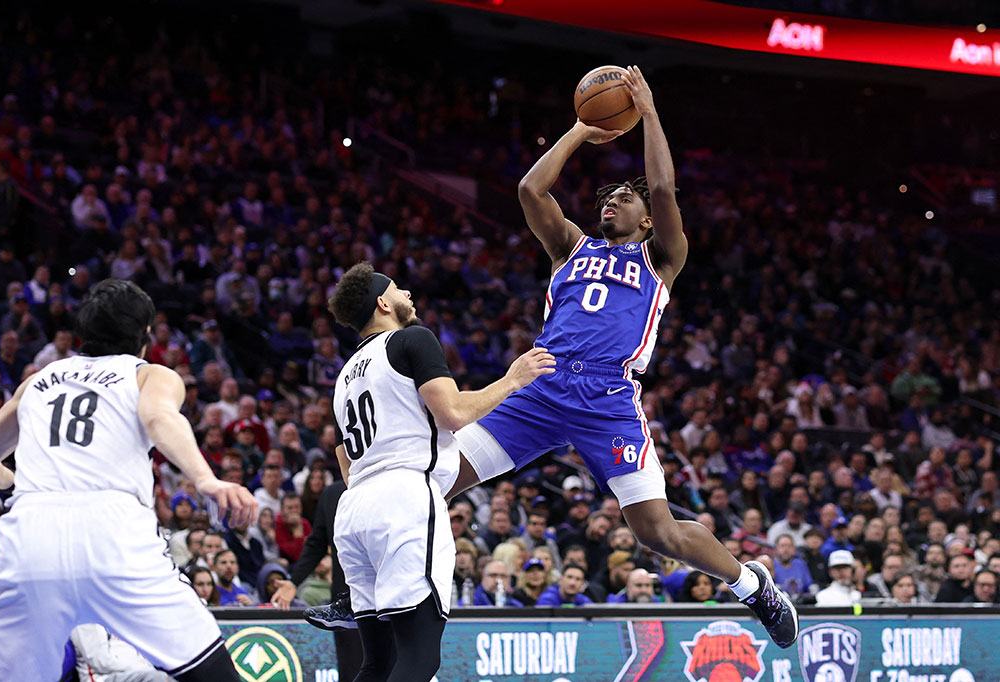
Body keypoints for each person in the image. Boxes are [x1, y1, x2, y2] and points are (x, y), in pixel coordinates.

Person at [445, 66, 796, 647]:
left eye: (624, 198)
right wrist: (582, 129)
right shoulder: (570, 247)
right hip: (540, 386)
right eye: (607, 196)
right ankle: (383, 595)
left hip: (607, 398)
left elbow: (663, 188)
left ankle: (751, 584)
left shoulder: (661, 256)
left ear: (647, 219)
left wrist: (649, 113)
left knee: (658, 532)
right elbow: (530, 191)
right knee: (438, 481)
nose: (612, 201)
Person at [0, 279, 257, 681]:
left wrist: (20, 485)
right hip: (114, 534)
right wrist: (205, 478)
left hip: (30, 536)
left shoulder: (38, 381)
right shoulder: (148, 374)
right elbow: (159, 418)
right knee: (211, 674)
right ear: (145, 335)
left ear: (83, 333)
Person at [309, 262, 553, 682]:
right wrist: (512, 380)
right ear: (384, 302)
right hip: (403, 498)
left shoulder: (344, 376)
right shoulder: (412, 339)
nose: (410, 296)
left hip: (355, 508)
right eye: (401, 290)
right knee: (422, 658)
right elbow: (454, 413)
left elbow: (342, 456)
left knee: (377, 663)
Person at [70, 623, 170, 682]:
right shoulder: (85, 621)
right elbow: (101, 662)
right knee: (157, 678)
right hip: (104, 677)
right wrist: (141, 667)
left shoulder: (114, 615)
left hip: (135, 670)